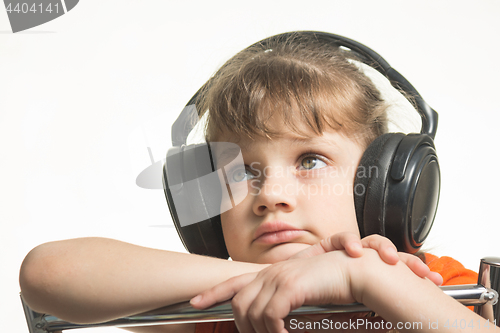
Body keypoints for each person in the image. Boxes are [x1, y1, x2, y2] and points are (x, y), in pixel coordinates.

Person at [19, 32, 493, 333]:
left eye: (310, 160)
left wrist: (364, 276)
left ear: (386, 184)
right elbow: (48, 274)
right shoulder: (215, 308)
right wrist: (270, 279)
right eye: (241, 172)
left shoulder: (429, 286)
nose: (270, 196)